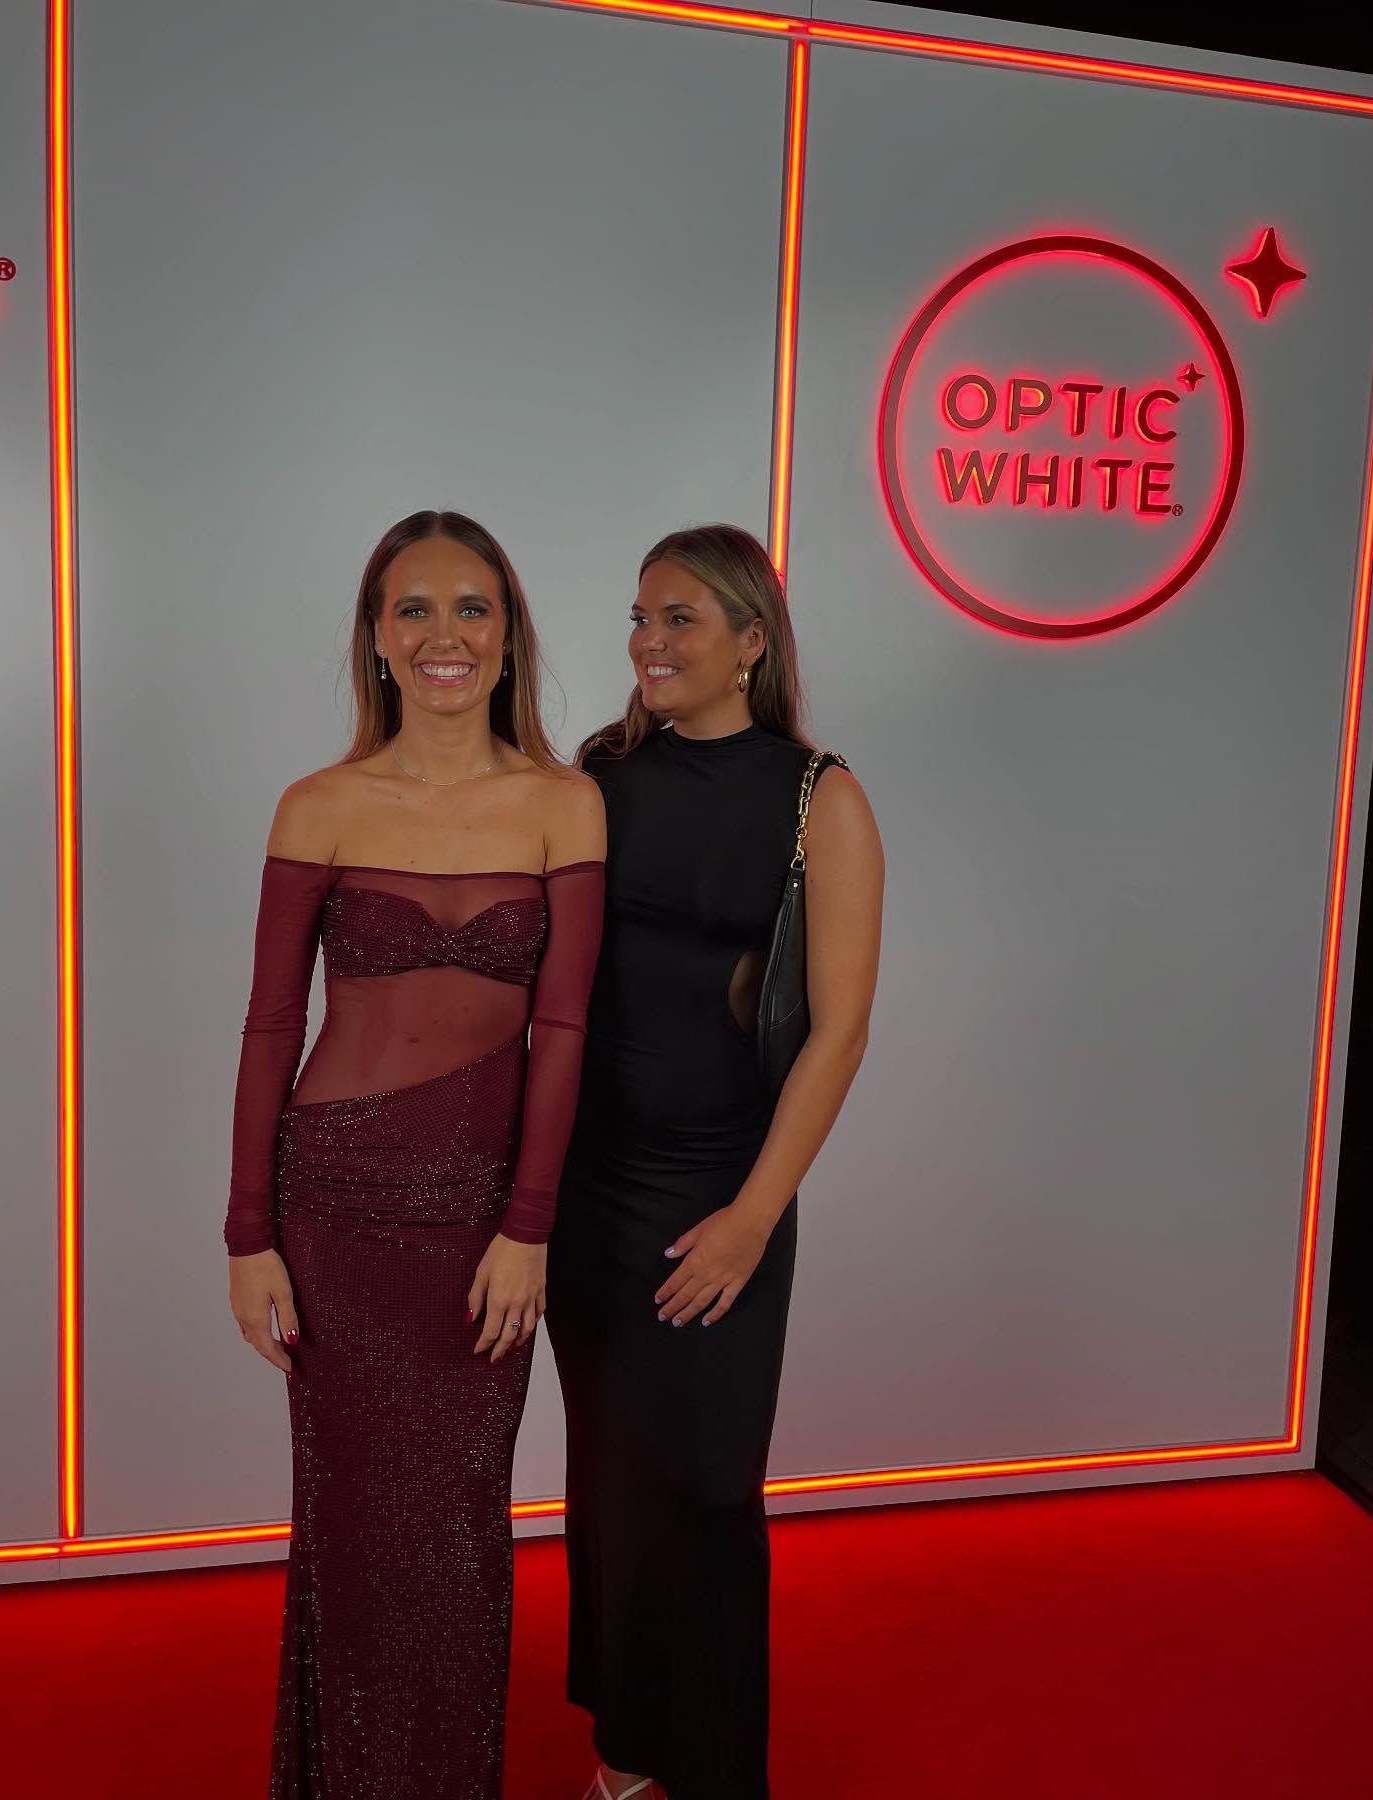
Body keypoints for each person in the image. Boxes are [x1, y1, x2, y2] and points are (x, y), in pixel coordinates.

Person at [225, 509, 605, 1800]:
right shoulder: (320, 805)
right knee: (349, 1530)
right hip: (334, 1211)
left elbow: (563, 1029)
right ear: (379, 638)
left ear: (508, 635)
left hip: (481, 1225)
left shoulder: (564, 804)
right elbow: (270, 1026)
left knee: (458, 1539)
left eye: (472, 608)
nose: (447, 635)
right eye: (416, 610)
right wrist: (247, 1234)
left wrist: (530, 1225)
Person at [548, 525, 884, 1800]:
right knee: (612, 1484)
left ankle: (717, 1766)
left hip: (720, 1191)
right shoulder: (601, 774)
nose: (648, 641)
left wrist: (752, 1217)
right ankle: (629, 1757)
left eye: (679, 617)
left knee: (707, 1485)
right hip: (590, 1189)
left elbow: (839, 1031)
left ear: (752, 642)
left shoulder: (821, 798)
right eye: (640, 617)